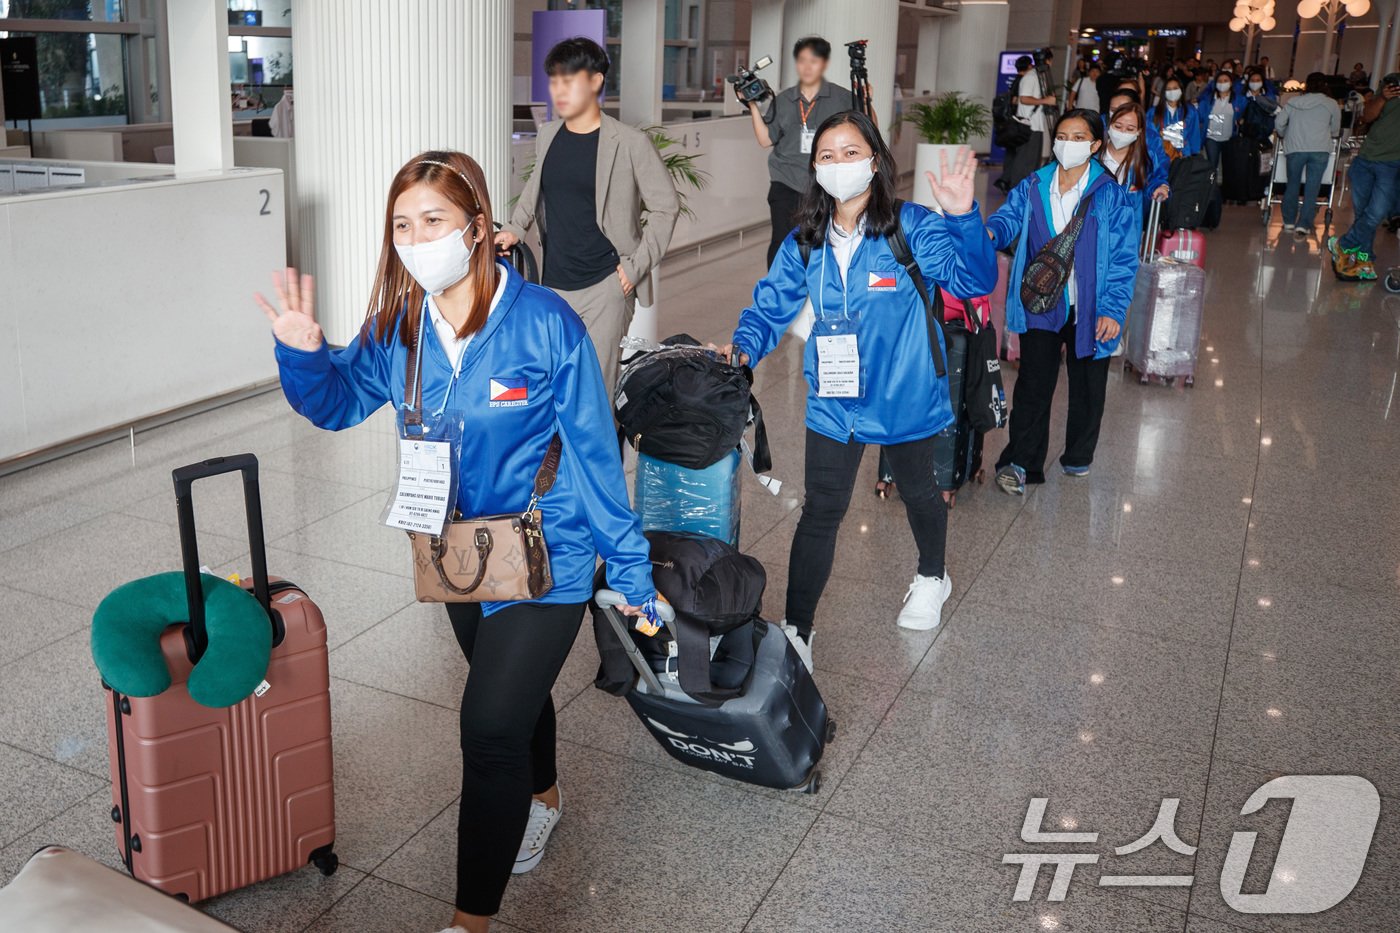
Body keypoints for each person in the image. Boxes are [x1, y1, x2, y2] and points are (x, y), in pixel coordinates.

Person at [256, 150, 663, 933]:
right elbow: (336, 404)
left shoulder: (545, 323)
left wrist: (635, 573)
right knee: (510, 693)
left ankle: (469, 921)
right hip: (457, 553)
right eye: (402, 224)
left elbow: (594, 453)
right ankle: (543, 795)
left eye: (432, 221)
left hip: (551, 551)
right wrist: (302, 352)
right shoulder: (398, 329)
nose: (415, 238)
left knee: (486, 725)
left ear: (477, 229)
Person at [717, 111, 997, 665]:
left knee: (920, 491)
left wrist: (964, 216)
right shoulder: (806, 238)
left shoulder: (910, 226)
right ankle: (798, 630)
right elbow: (770, 304)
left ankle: (931, 576)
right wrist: (744, 345)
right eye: (827, 155)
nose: (839, 165)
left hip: (905, 392)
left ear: (874, 159)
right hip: (835, 398)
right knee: (822, 509)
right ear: (814, 168)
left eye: (851, 153)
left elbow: (973, 280)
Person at [497, 38, 679, 396]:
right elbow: (537, 185)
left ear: (596, 81)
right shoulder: (548, 135)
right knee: (553, 387)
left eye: (568, 80)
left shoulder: (629, 142)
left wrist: (634, 268)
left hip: (604, 286)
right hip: (553, 285)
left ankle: (600, 454)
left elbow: (665, 207)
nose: (558, 90)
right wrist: (516, 228)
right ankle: (559, 455)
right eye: (554, 81)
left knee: (594, 392)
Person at [986, 109, 1138, 494]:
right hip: (1042, 302)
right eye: (1062, 136)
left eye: (1078, 137)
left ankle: (1077, 457)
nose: (1067, 144)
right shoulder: (1034, 185)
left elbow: (1123, 257)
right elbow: (1009, 220)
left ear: (1095, 145)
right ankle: (1021, 461)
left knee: (1087, 386)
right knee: (1034, 384)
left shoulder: (1109, 195)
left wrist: (1113, 309)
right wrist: (989, 230)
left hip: (1091, 306)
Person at [746, 36, 856, 267]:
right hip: (786, 182)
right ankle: (778, 293)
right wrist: (752, 106)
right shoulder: (784, 99)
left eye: (813, 60)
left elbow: (866, 127)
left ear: (824, 63)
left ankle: (818, 289)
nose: (807, 67)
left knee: (824, 241)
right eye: (802, 60)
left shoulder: (842, 97)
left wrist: (867, 98)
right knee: (781, 242)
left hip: (827, 183)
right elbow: (766, 139)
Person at [1328, 75, 1400, 281]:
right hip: (1365, 159)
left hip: (1392, 165)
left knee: (1375, 214)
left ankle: (1344, 245)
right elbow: (1367, 117)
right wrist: (1383, 98)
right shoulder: (1390, 85)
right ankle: (1364, 262)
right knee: (1364, 215)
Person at [1274, 72, 1342, 240]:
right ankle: (1303, 225)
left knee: (1292, 185)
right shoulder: (1331, 104)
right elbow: (1335, 129)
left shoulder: (1293, 102)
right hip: (1320, 149)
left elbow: (1279, 123)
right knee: (1312, 188)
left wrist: (1283, 134)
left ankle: (1289, 221)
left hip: (1295, 148)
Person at [1100, 102, 1170, 225]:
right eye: (1118, 126)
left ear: (1139, 131)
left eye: (1130, 129)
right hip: (1095, 220)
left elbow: (1154, 179)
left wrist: (1161, 186)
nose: (1122, 132)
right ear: (1109, 125)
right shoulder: (1096, 155)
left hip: (1127, 225)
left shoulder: (1144, 157)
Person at [1002, 54, 1056, 190]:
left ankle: (1025, 189)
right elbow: (1024, 99)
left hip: (1035, 124)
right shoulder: (1030, 77)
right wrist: (1046, 101)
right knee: (1025, 160)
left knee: (1032, 161)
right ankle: (1018, 190)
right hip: (1028, 125)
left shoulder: (1038, 77)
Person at [1148, 75, 1202, 158]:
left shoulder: (1190, 111)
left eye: (1175, 88)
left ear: (1181, 90)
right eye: (1168, 89)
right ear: (1164, 92)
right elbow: (1148, 136)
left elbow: (1194, 134)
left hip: (1183, 156)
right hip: (1159, 156)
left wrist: (1193, 154)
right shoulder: (1153, 112)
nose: (1172, 92)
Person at [1200, 72, 1242, 173]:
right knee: (1212, 166)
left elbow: (1241, 115)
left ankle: (1226, 187)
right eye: (1219, 81)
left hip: (1229, 138)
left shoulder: (1239, 99)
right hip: (1211, 138)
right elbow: (1201, 116)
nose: (1222, 83)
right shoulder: (1208, 99)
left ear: (1231, 83)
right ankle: (1211, 186)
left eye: (1225, 81)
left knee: (1228, 166)